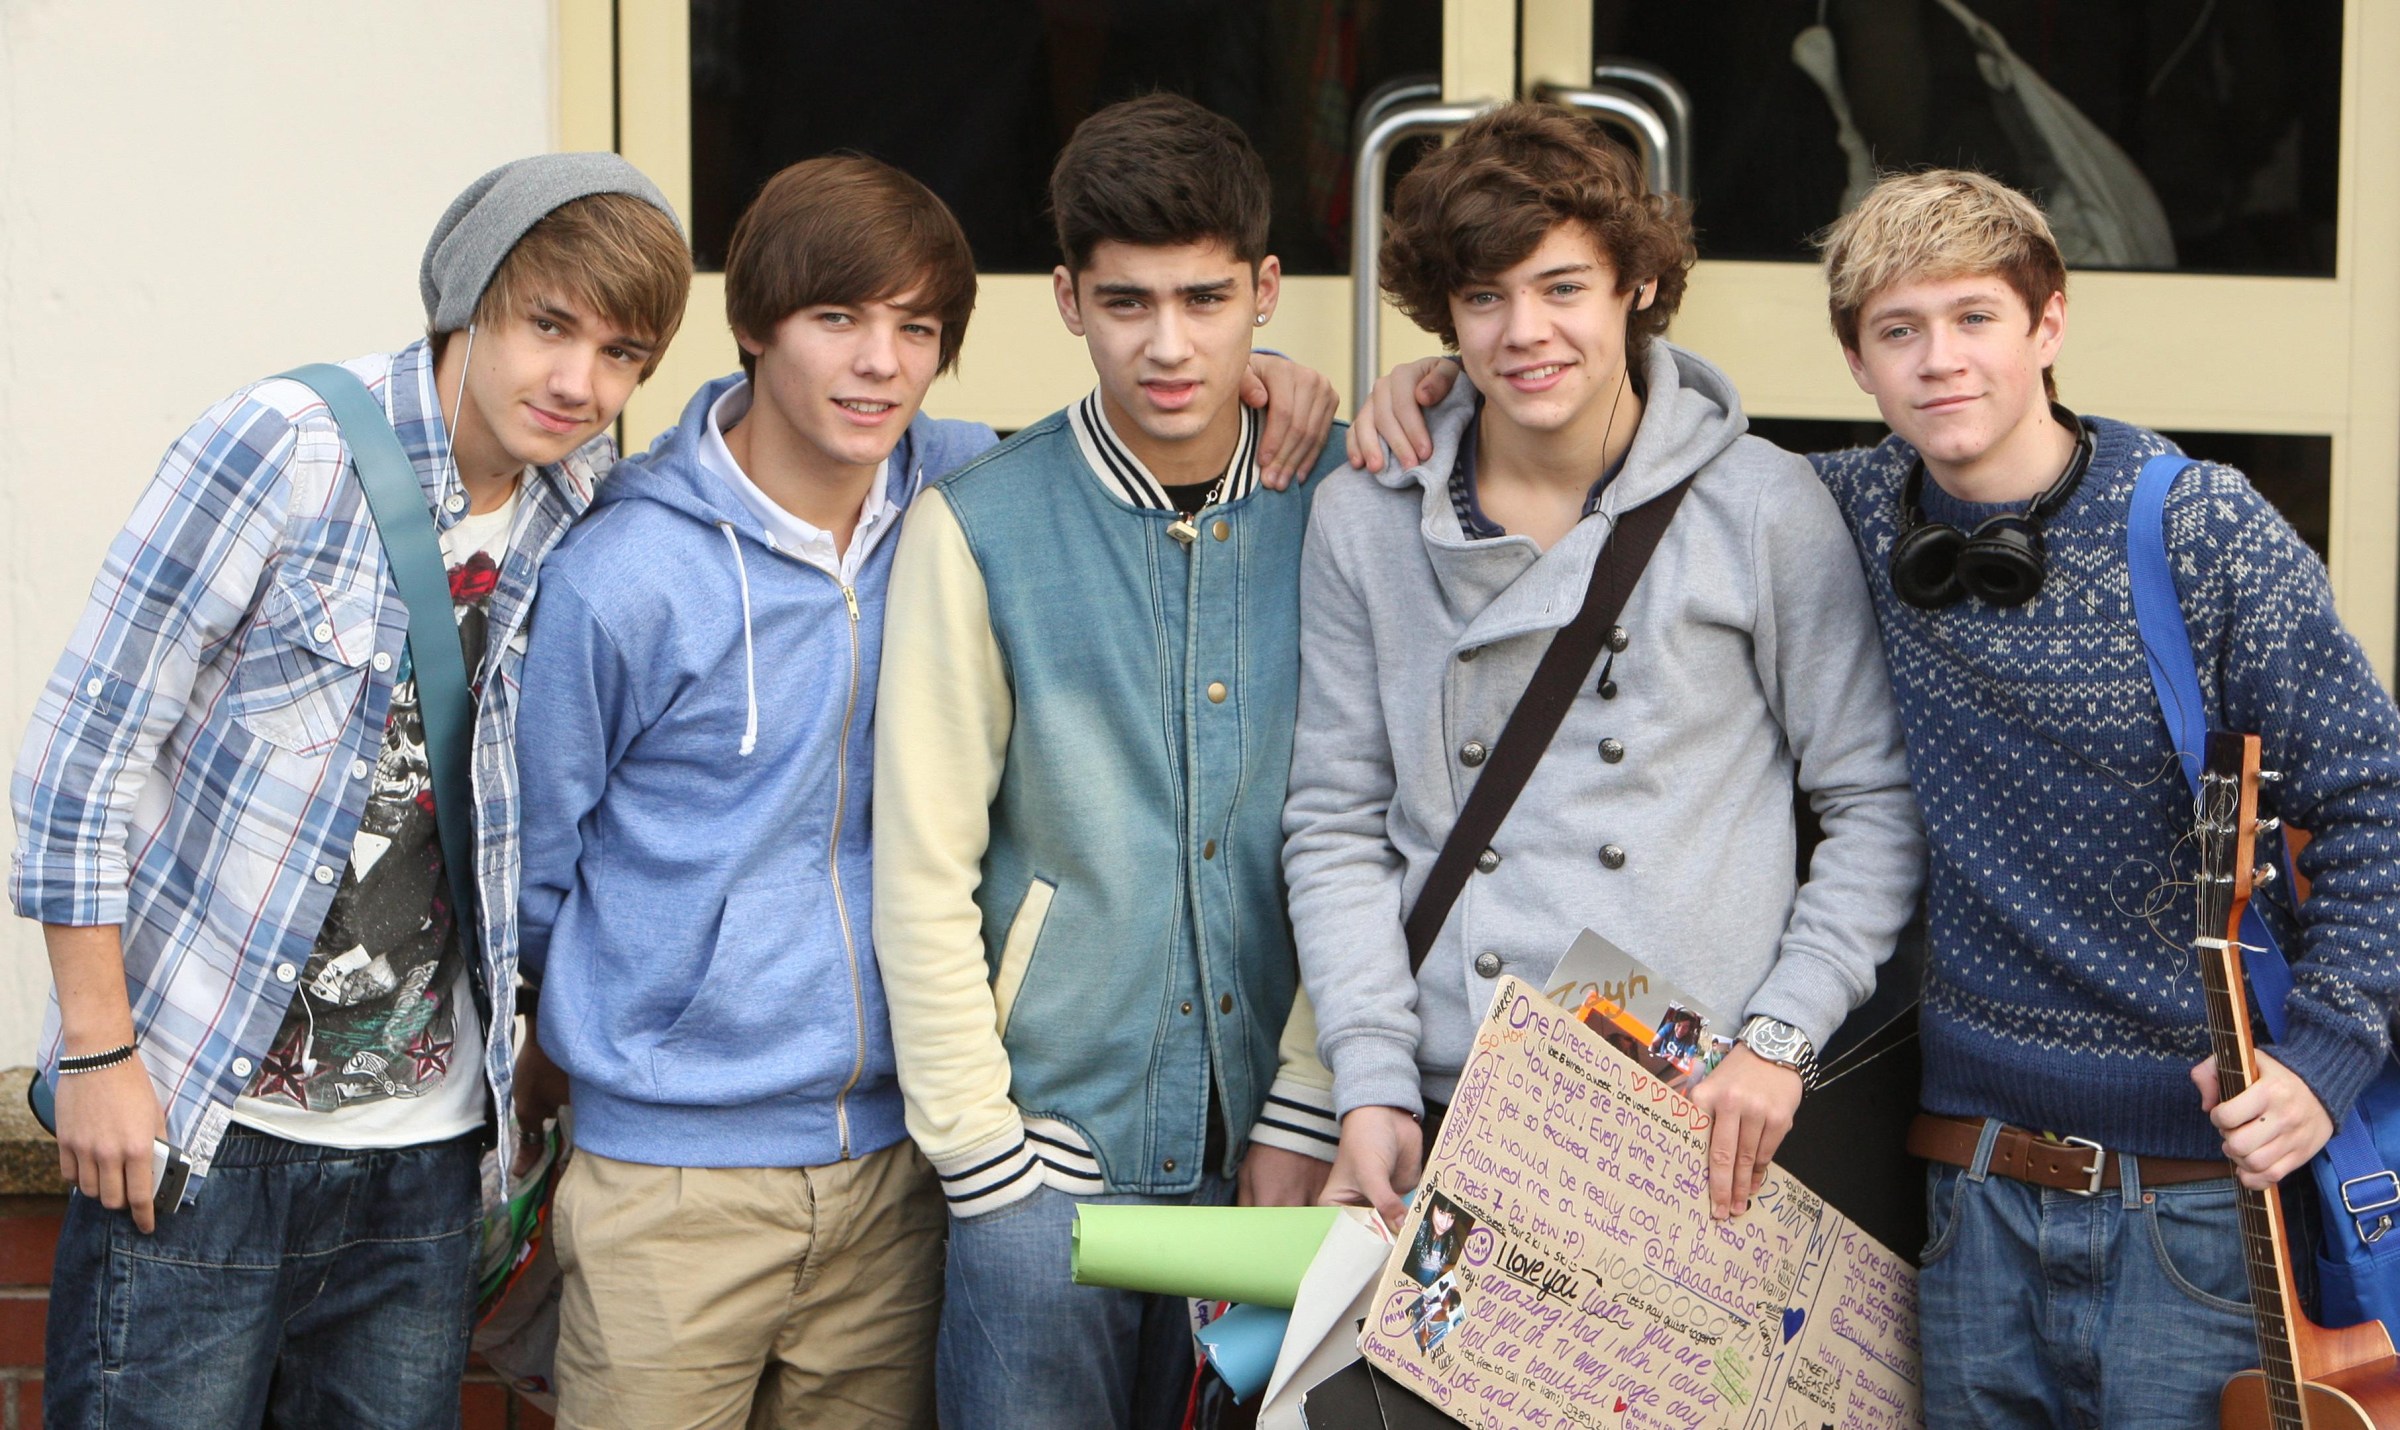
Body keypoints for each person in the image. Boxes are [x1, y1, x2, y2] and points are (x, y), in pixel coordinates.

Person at [1357, 166, 2400, 1429]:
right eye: (1899, 331)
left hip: (2194, 1191)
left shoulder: (2202, 533)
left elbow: (2372, 799)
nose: (1940, 361)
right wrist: (1441, 390)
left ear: (2050, 324)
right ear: (1856, 361)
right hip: (1962, 1189)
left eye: (1975, 319)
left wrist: (2328, 1055)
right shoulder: (1831, 512)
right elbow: (1637, 451)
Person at [514, 147, 1338, 1429]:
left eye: (915, 328)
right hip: (679, 1163)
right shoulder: (626, 570)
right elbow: (532, 866)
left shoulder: (948, 482)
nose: (877, 363)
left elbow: (1144, 414)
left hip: (893, 1162)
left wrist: (1279, 383)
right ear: (751, 328)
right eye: (836, 318)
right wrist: (608, 1038)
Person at [9, 154, 690, 1429]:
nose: (578, 384)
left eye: (621, 355)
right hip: (207, 1124)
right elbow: (79, 756)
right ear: (465, 300)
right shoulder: (286, 446)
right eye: (549, 326)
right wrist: (100, 1048)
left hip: (427, 1159)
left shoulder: (583, 507)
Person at [1282, 102, 1923, 1234]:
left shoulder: (1760, 506)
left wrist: (1781, 1036)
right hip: (1446, 1092)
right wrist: (1370, 1071)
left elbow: (1873, 805)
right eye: (1485, 297)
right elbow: (1336, 820)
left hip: (1696, 1109)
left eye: (1562, 286)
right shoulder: (1367, 514)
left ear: (1636, 284)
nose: (1524, 331)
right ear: (1446, 317)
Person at [871, 93, 1349, 1429]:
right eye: (1129, 302)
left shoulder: (1349, 502)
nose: (1170, 342)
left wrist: (1311, 1097)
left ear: (1265, 290)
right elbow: (922, 866)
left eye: (1205, 299)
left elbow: (1378, 833)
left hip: (1279, 1147)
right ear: (1070, 299)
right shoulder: (980, 526)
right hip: (1048, 1162)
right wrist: (982, 1158)